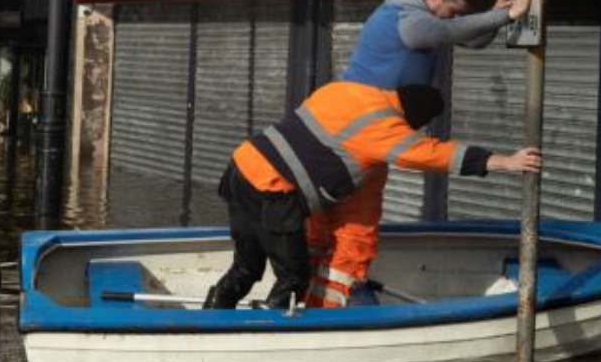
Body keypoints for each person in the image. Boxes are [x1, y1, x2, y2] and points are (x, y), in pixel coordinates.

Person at [204, 81, 541, 311]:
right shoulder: (385, 130)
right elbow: (434, 154)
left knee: (246, 267)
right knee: (294, 276)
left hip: (240, 168)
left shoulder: (343, 90)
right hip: (271, 190)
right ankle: (275, 331)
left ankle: (210, 321)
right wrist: (502, 161)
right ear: (413, 122)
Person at [340, 0, 534, 89]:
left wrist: (496, 11)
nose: (455, 18)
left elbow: (475, 40)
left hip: (382, 116)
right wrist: (508, 15)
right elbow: (451, 29)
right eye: (452, 11)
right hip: (358, 115)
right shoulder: (407, 18)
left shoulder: (425, 15)